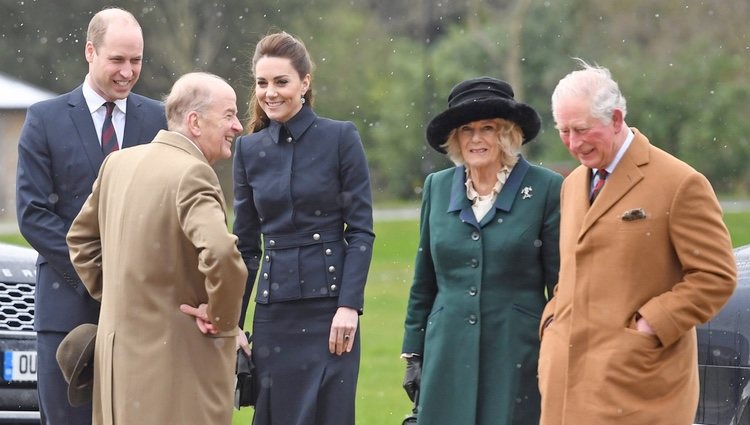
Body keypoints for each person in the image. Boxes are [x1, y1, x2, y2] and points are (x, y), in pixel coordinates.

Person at [537, 60, 738, 425]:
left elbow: (716, 277)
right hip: (565, 384)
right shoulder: (571, 185)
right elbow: (573, 270)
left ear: (616, 119)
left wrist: (650, 325)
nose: (574, 143)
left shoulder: (680, 183)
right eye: (563, 131)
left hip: (638, 389)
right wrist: (553, 321)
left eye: (582, 129)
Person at [65, 72, 248, 425]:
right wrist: (221, 317)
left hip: (117, 368)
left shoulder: (117, 163)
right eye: (229, 115)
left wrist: (123, 295)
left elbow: (80, 241)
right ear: (194, 122)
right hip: (178, 366)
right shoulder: (193, 173)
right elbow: (223, 255)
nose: (238, 126)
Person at [14, 8, 166, 424]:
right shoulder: (44, 119)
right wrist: (98, 273)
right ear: (90, 52)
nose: (128, 71)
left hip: (143, 316)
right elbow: (33, 214)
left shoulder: (157, 119)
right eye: (117, 59)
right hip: (67, 313)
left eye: (136, 60)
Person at [401, 77, 563, 425]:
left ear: (507, 133)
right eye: (466, 130)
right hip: (447, 350)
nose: (476, 139)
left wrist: (560, 348)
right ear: (455, 139)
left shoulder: (547, 188)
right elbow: (424, 276)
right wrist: (413, 353)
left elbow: (561, 285)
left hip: (516, 351)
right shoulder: (438, 187)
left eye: (488, 128)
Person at [232, 31, 375, 425]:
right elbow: (245, 246)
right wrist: (234, 322)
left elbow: (360, 229)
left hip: (331, 312)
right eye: (262, 83)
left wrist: (349, 305)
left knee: (330, 414)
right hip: (274, 314)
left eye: (281, 82)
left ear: (305, 82)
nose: (270, 92)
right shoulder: (248, 150)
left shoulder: (340, 137)